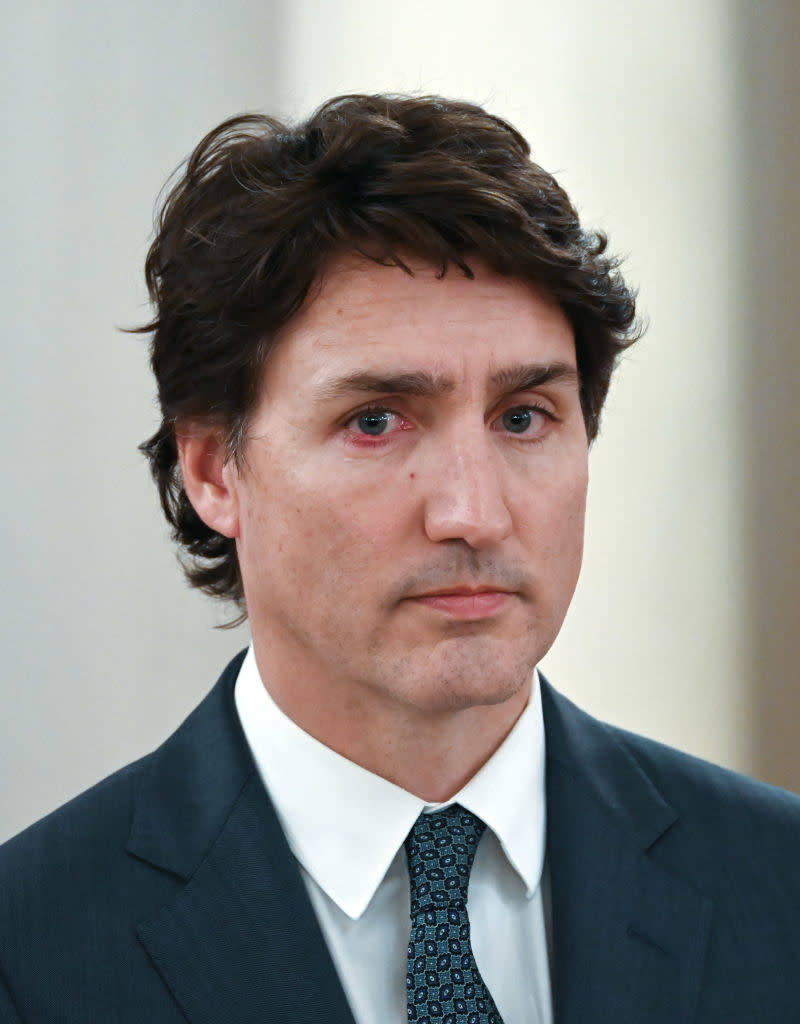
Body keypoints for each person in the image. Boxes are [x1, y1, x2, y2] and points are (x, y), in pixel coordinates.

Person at [0, 94, 798, 1024]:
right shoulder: (33, 954)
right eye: (375, 421)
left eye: (524, 418)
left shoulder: (779, 888)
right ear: (216, 469)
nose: (474, 512)